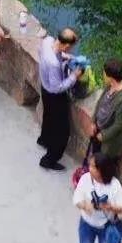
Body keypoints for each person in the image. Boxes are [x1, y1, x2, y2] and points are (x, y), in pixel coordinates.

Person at [38, 29, 83, 170]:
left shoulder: (48, 41)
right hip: (54, 95)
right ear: (66, 45)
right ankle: (49, 160)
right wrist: (74, 76)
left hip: (44, 88)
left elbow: (45, 52)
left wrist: (64, 56)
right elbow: (58, 87)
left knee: (48, 117)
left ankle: (44, 139)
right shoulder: (53, 64)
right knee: (62, 131)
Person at [91, 58, 122, 162]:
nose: (103, 75)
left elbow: (119, 125)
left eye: (104, 73)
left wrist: (104, 135)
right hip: (98, 130)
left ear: (111, 77)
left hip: (108, 140)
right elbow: (100, 104)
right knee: (95, 158)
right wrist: (93, 122)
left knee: (104, 164)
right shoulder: (109, 87)